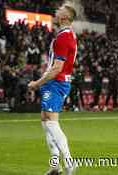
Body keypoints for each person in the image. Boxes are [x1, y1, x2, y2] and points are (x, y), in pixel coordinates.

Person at [28, 3, 78, 175]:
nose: (56, 12)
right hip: (56, 82)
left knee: (51, 121)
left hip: (56, 82)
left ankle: (69, 162)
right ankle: (55, 166)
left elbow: (57, 68)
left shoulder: (64, 37)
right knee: (45, 120)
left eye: (59, 11)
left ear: (64, 17)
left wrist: (37, 83)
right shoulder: (67, 35)